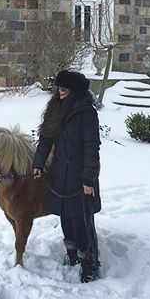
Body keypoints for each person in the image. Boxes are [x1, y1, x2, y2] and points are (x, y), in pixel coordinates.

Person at [32, 70, 101, 282]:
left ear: (75, 91)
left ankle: (89, 260)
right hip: (59, 173)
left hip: (80, 175)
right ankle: (72, 254)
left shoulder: (86, 112)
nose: (60, 91)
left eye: (65, 88)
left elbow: (92, 146)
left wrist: (88, 178)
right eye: (58, 88)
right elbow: (45, 141)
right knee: (65, 215)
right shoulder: (55, 109)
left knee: (82, 218)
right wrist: (38, 163)